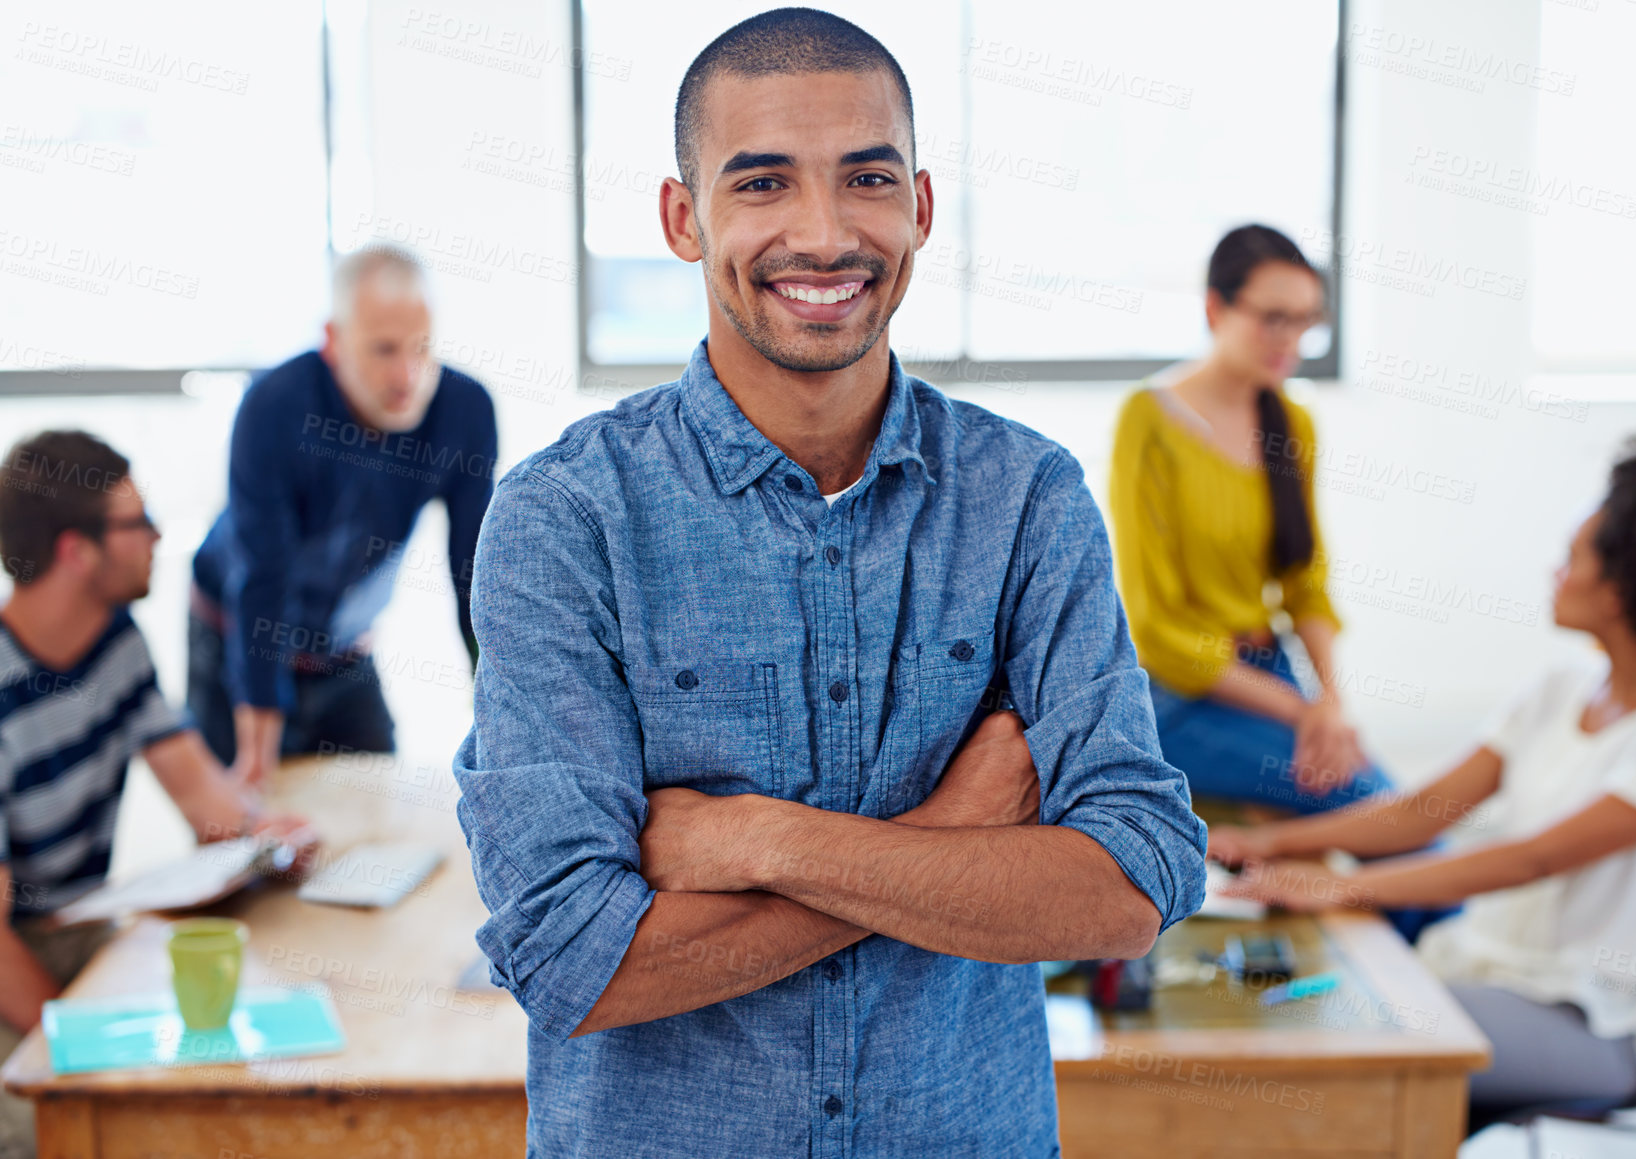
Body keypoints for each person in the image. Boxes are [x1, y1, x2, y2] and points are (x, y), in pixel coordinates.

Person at [452, 10, 1207, 1157]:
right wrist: (949, 831)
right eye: (761, 183)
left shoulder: (1027, 500)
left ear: (920, 208)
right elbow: (573, 961)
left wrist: (762, 840)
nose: (823, 232)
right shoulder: (566, 518)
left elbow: (1133, 883)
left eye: (866, 177)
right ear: (683, 217)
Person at [1210, 437, 1636, 1121]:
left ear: (1624, 585)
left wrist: (1337, 884)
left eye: (1572, 557)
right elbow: (1423, 809)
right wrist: (1272, 846)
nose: (1553, 571)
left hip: (1593, 1021)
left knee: (1334, 1045)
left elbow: (1529, 858)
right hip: (1487, 971)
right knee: (1291, 1014)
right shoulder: (1557, 690)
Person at [0, 431, 316, 1159]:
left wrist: (266, 837)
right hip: (18, 968)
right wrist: (84, 1044)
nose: (157, 536)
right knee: (116, 1133)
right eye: (135, 521)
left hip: (75, 934)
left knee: (231, 1072)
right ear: (77, 550)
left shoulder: (116, 641)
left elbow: (203, 798)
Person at [189, 245, 498, 788]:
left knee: (376, 813)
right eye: (383, 349)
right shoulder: (274, 407)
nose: (408, 375)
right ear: (333, 341)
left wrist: (502, 719)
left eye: (422, 348)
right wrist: (259, 739)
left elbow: (474, 574)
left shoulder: (465, 410)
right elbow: (263, 575)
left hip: (344, 648)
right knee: (245, 827)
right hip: (238, 633)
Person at [1110, 223, 1391, 814]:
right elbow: (1156, 631)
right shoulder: (1150, 421)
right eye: (1273, 318)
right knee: (1372, 805)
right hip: (1179, 693)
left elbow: (1305, 584)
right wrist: (1305, 711)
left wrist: (1331, 704)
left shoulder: (1292, 421)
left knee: (1383, 803)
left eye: (1305, 321)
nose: (1290, 339)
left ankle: (1389, 905)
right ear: (1217, 308)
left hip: (1271, 673)